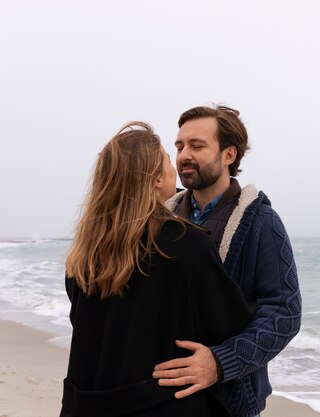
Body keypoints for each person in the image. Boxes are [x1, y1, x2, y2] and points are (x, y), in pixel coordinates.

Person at [61, 122, 253, 417]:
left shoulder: (83, 254)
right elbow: (229, 326)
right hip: (160, 404)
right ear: (154, 181)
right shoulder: (186, 242)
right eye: (167, 159)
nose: (173, 167)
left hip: (87, 404)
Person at [153, 105, 302, 417]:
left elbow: (284, 312)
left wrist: (220, 363)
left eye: (197, 145)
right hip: (162, 398)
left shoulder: (261, 221)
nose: (183, 155)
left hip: (231, 403)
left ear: (229, 155)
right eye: (179, 146)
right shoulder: (161, 218)